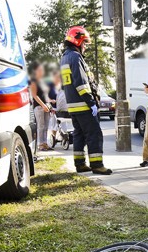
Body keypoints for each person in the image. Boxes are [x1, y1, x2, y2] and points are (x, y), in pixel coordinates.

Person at [60, 26, 111, 175]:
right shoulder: (76, 58)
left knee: (79, 134)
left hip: (73, 105)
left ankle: (80, 164)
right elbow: (81, 83)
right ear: (77, 41)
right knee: (94, 134)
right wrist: (91, 102)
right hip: (83, 105)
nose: (85, 47)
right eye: (84, 43)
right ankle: (97, 165)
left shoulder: (64, 57)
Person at [29, 62, 52, 151]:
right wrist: (43, 105)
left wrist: (50, 103)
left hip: (46, 106)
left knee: (46, 126)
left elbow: (45, 95)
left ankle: (45, 143)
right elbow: (35, 95)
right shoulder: (33, 81)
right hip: (39, 107)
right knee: (41, 126)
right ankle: (40, 144)